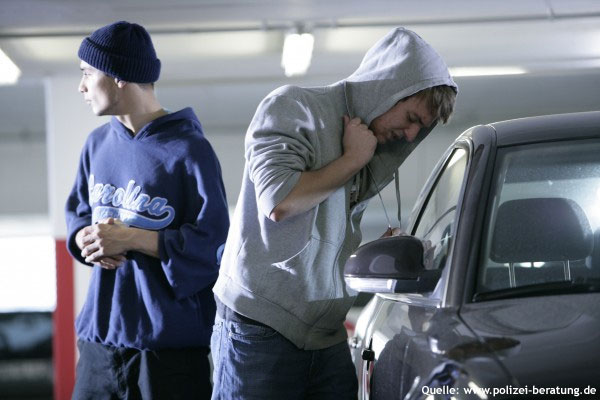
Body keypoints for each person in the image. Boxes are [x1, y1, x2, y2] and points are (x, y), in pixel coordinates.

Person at [211, 27, 457, 399]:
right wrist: (352, 160)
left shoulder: (374, 144)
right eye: (410, 117)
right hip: (262, 328)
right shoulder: (293, 107)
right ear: (384, 89)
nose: (409, 135)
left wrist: (376, 250)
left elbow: (326, 233)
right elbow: (279, 202)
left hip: (326, 334)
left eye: (419, 128)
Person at [65, 21, 229, 400]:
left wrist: (132, 237)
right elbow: (76, 211)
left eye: (88, 73)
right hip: (98, 345)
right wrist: (85, 237)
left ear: (119, 76)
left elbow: (214, 245)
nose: (82, 86)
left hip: (167, 352)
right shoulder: (96, 144)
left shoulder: (189, 150)